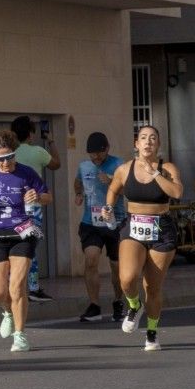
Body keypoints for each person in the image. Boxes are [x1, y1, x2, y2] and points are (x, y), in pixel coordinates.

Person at [104, 124, 185, 351]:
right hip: (134, 226)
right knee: (127, 279)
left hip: (162, 228)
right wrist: (108, 207)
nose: (148, 142)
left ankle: (152, 332)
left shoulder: (167, 168)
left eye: (153, 138)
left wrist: (156, 174)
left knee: (153, 286)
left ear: (158, 144)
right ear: (136, 144)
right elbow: (113, 189)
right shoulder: (124, 169)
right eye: (143, 138)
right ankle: (133, 304)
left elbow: (177, 192)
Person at [0, 130, 49, 352]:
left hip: (23, 234)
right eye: (1, 159)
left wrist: (37, 197)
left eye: (10, 157)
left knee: (16, 286)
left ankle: (20, 335)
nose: (6, 163)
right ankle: (7, 312)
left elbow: (47, 196)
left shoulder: (27, 174)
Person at [70, 130, 123, 322]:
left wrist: (112, 182)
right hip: (90, 222)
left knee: (116, 267)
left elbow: (127, 188)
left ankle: (119, 301)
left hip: (114, 222)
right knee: (91, 260)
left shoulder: (118, 164)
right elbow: (77, 182)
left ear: (107, 149)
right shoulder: (84, 166)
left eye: (99, 153)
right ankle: (94, 305)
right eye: (92, 153)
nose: (95, 157)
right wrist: (78, 194)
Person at [9, 116, 60, 302]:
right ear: (31, 134)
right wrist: (51, 140)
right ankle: (33, 287)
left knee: (11, 246)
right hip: (33, 207)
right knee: (31, 247)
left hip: (11, 209)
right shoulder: (38, 151)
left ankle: (14, 285)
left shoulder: (6, 155)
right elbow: (56, 164)